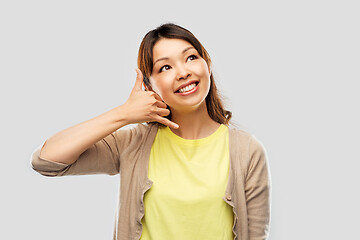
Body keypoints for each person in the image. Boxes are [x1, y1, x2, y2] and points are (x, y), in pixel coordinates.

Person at [31, 23, 271, 240]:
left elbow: (255, 236)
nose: (183, 72)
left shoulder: (247, 150)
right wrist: (124, 113)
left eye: (191, 58)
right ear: (149, 85)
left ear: (206, 64)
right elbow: (46, 161)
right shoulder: (133, 142)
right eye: (165, 67)